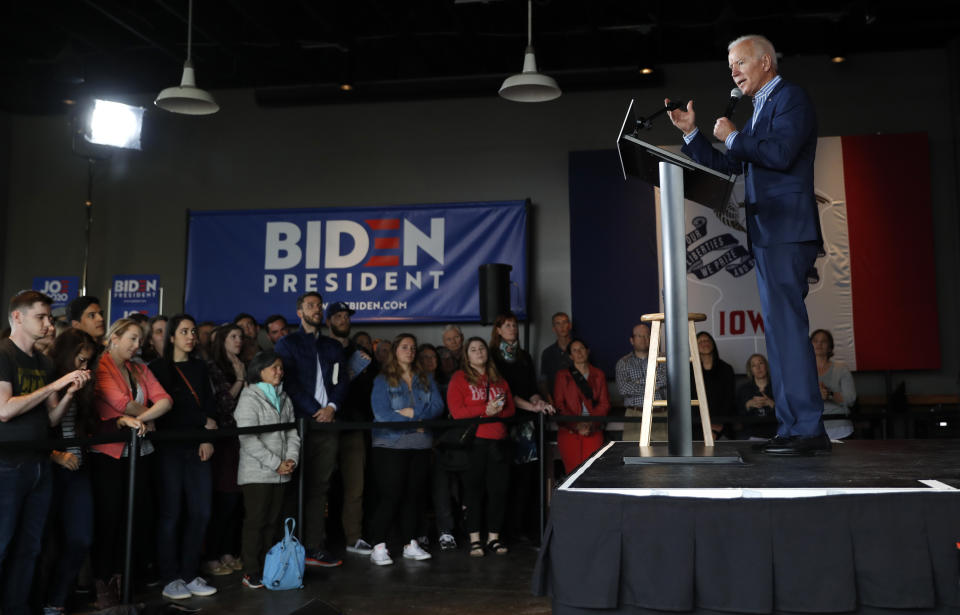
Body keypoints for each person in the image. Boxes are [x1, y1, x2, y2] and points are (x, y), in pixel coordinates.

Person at [666, 34, 827, 455]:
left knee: (788, 330)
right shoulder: (758, 111)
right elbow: (728, 165)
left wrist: (735, 137)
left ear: (766, 63)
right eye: (730, 66)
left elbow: (781, 153)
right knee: (777, 334)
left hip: (787, 230)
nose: (734, 72)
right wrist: (693, 135)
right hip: (768, 233)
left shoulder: (790, 97)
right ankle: (793, 427)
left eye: (740, 63)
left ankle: (808, 428)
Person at [0, 291, 90, 615]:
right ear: (18, 317)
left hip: (39, 464)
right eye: (41, 316)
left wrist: (67, 393)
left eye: (50, 317)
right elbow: (5, 410)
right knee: (3, 544)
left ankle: (16, 608)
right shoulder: (4, 354)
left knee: (30, 547)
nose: (49, 323)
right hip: (7, 465)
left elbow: (50, 418)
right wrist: (55, 386)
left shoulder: (45, 361)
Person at [89, 318, 171, 608]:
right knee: (109, 519)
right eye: (132, 339)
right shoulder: (101, 366)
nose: (138, 346)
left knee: (136, 517)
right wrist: (144, 417)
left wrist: (141, 421)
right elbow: (122, 403)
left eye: (140, 340)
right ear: (115, 337)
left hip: (140, 452)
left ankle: (124, 579)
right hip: (109, 455)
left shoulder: (140, 367)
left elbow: (165, 400)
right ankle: (102, 582)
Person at [148, 315, 219, 601]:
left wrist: (206, 435)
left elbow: (211, 405)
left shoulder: (201, 367)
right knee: (171, 514)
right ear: (172, 337)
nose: (191, 336)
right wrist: (202, 421)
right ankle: (170, 576)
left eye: (193, 331)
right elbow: (166, 412)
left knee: (201, 511)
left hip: (197, 447)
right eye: (184, 331)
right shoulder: (157, 368)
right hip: (169, 449)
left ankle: (190, 573)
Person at [274, 292, 346, 567]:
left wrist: (332, 407)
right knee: (292, 486)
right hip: (299, 424)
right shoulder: (287, 344)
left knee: (320, 486)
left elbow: (342, 382)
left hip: (328, 424)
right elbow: (288, 383)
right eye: (311, 306)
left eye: (319, 306)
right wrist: (316, 408)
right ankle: (289, 546)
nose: (317, 309)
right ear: (300, 312)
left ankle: (315, 546)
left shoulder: (332, 346)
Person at [367, 334, 445, 565]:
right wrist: (416, 422)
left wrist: (413, 415)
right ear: (395, 350)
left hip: (420, 444)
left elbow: (438, 406)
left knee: (414, 496)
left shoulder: (426, 378)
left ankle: (410, 543)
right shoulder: (382, 379)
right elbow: (381, 413)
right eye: (404, 347)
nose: (409, 351)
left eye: (413, 347)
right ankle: (378, 545)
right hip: (390, 443)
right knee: (391, 495)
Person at [43, 329, 98, 615]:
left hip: (78, 469)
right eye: (80, 359)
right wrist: (55, 455)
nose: (84, 367)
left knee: (81, 538)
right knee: (46, 543)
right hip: (50, 470)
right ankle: (43, 600)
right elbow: (36, 428)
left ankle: (57, 600)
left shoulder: (82, 384)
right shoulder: (46, 376)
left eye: (88, 361)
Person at [235, 351, 301, 589]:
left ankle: (267, 566)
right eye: (273, 367)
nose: (279, 371)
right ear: (259, 370)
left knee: (273, 522)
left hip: (282, 472)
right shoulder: (248, 398)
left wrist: (292, 458)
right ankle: (250, 571)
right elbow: (248, 439)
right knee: (256, 521)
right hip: (257, 473)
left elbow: (293, 432)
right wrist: (276, 462)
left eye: (281, 367)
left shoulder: (284, 397)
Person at [446, 337, 515, 557]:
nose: (479, 352)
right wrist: (486, 410)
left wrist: (497, 412)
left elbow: (511, 409)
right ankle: (475, 538)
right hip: (473, 443)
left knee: (498, 491)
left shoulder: (498, 378)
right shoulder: (459, 378)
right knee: (473, 492)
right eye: (473, 350)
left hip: (498, 441)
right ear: (467, 356)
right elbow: (457, 412)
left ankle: (493, 538)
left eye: (482, 348)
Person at [488, 312, 553, 545]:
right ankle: (505, 530)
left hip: (528, 424)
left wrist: (539, 402)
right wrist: (530, 406)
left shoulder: (524, 356)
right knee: (507, 479)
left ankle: (526, 528)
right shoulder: (493, 356)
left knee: (528, 478)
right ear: (497, 329)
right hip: (506, 422)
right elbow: (503, 393)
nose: (512, 328)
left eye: (514, 325)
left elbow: (531, 386)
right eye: (506, 325)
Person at [325, 301, 376, 556]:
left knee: (356, 486)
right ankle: (315, 539)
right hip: (326, 425)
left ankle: (353, 537)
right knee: (319, 485)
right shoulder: (320, 349)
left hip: (355, 424)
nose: (344, 319)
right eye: (338, 316)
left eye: (346, 316)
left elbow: (371, 392)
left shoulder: (363, 353)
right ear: (328, 322)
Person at [203, 323, 246, 575]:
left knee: (236, 500)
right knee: (224, 499)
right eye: (233, 336)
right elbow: (223, 404)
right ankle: (213, 554)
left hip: (243, 439)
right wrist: (240, 380)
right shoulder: (214, 366)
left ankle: (229, 551)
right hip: (224, 439)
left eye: (240, 336)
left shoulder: (242, 362)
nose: (238, 340)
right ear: (222, 341)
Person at [553, 339, 610, 473]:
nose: (579, 353)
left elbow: (604, 404)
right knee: (572, 473)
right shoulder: (562, 376)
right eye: (575, 350)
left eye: (582, 349)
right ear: (570, 356)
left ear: (587, 351)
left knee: (593, 472)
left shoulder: (599, 374)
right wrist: (576, 425)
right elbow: (559, 405)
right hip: (570, 431)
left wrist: (591, 423)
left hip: (593, 429)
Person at [615, 323, 667, 441]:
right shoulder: (623, 363)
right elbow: (624, 389)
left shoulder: (663, 359)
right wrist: (653, 385)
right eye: (639, 336)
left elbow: (665, 380)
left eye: (647, 335)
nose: (644, 339)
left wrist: (637, 382)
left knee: (664, 455)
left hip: (662, 414)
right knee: (633, 454)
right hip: (635, 414)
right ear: (632, 340)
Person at [811, 329, 856, 440]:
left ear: (830, 346)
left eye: (823, 341)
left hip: (840, 427)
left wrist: (829, 394)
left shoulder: (841, 369)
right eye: (815, 341)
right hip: (811, 428)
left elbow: (851, 399)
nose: (819, 344)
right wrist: (816, 395)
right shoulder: (802, 371)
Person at [695, 332, 736, 440]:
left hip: (723, 423)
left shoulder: (726, 369)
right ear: (695, 347)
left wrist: (718, 426)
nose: (704, 343)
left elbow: (729, 400)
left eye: (707, 340)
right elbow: (690, 402)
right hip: (697, 425)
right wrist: (705, 427)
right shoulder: (690, 370)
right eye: (700, 341)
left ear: (713, 344)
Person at [736, 353, 777, 440]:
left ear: (766, 366)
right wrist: (747, 405)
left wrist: (772, 404)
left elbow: (787, 413)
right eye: (754, 365)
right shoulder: (744, 389)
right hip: (751, 433)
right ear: (750, 370)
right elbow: (736, 415)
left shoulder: (777, 388)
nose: (758, 368)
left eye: (761, 363)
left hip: (774, 432)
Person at [539, 312, 573, 400]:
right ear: (554, 328)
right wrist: (549, 399)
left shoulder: (579, 349)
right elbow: (543, 380)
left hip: (577, 400)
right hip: (556, 400)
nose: (562, 327)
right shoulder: (547, 353)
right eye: (558, 323)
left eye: (564, 322)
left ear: (570, 325)